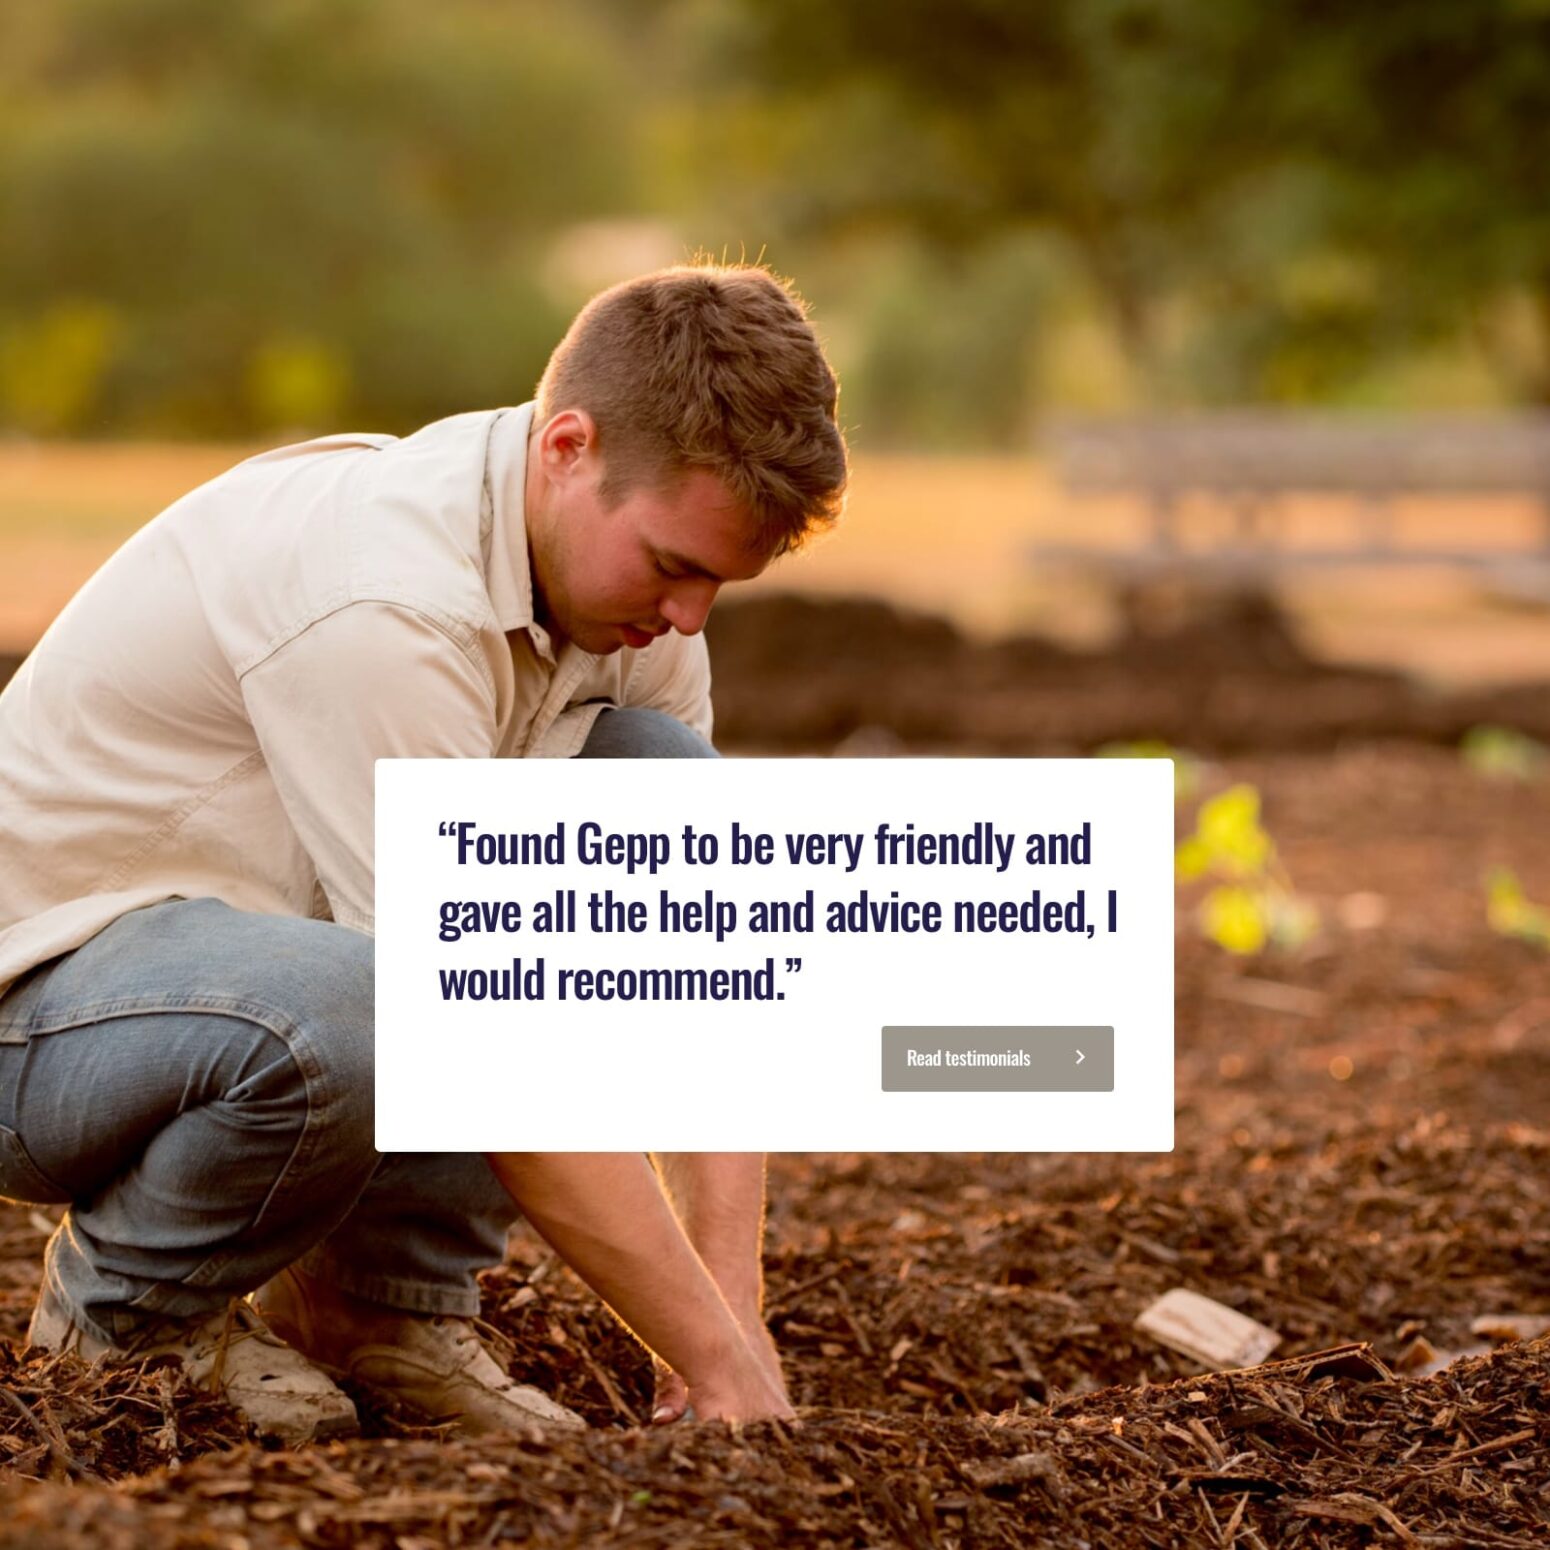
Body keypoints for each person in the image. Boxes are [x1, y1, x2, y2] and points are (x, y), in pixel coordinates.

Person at [0, 264, 848, 1443]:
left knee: (650, 787)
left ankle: (375, 1307)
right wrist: (706, 1356)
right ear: (566, 447)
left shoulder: (634, 619)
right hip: (46, 1014)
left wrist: (733, 1328)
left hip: (258, 965)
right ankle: (129, 1317)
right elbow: (480, 1034)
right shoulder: (384, 601)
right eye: (671, 565)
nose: (691, 616)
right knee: (390, 1000)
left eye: (719, 580)